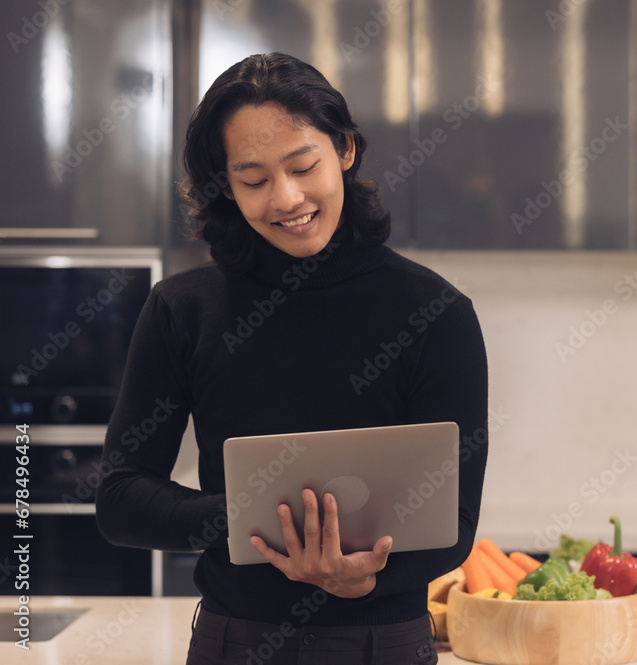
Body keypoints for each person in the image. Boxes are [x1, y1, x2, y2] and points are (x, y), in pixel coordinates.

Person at [95, 52, 489, 665]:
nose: (286, 198)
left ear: (346, 150)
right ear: (225, 184)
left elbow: (454, 524)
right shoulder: (183, 310)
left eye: (303, 167)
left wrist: (366, 578)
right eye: (252, 179)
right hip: (233, 644)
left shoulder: (436, 313)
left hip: (382, 647)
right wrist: (260, 523)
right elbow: (121, 501)